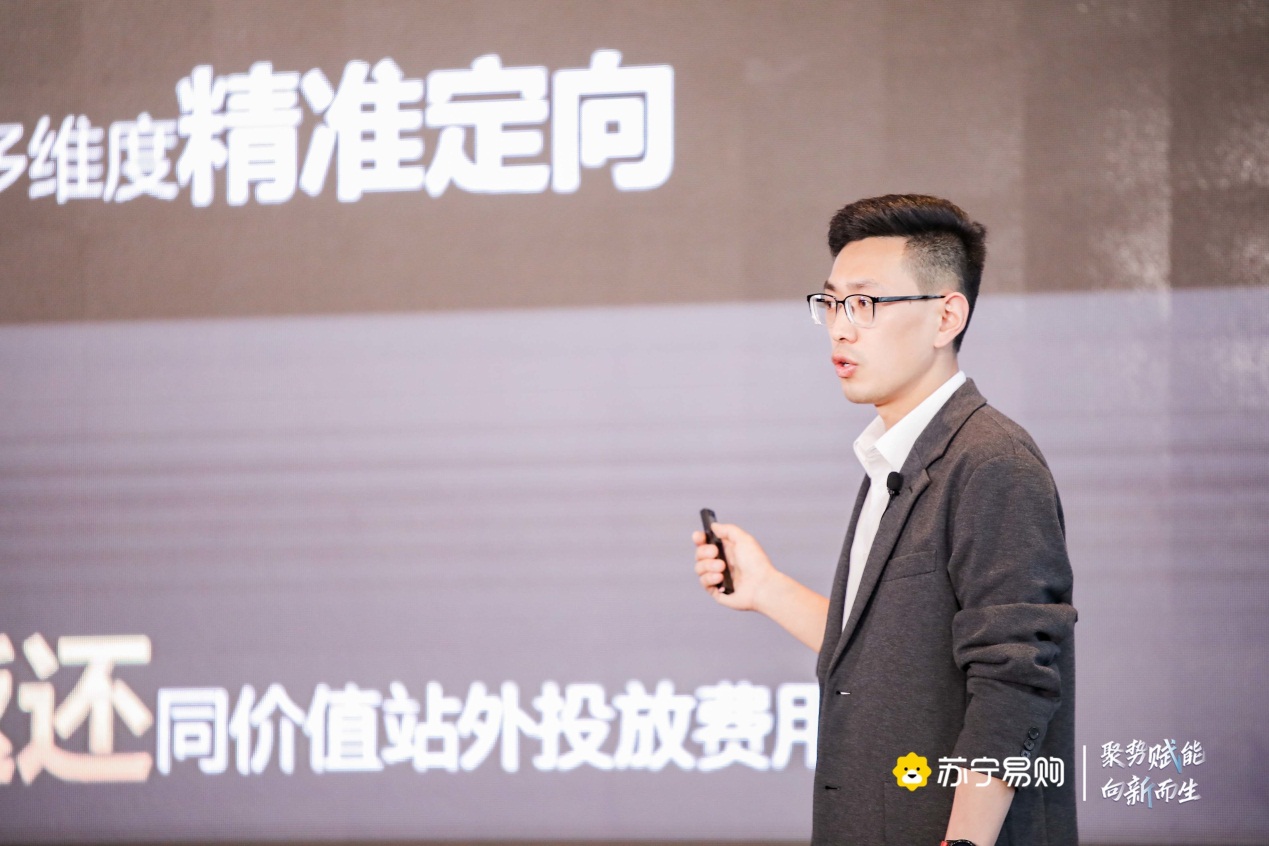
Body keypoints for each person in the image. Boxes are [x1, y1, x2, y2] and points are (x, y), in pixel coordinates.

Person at [692, 195, 1076, 846]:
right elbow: (887, 652)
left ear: (945, 316)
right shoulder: (895, 457)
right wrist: (765, 588)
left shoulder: (992, 463)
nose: (840, 328)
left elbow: (1014, 682)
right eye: (830, 303)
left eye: (864, 303)